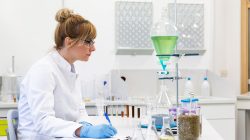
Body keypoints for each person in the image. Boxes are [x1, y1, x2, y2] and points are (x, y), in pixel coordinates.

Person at [17, 8, 117, 139]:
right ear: (69, 42)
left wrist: (84, 124)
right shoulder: (44, 70)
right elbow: (43, 122)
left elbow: (79, 110)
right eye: (88, 42)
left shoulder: (70, 69)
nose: (93, 48)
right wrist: (83, 131)